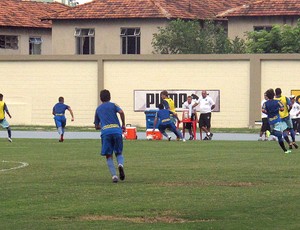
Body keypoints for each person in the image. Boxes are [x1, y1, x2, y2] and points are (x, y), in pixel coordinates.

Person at [94, 89, 126, 183]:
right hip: (116, 130)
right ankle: (120, 165)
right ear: (110, 97)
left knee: (108, 155)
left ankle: (114, 176)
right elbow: (121, 112)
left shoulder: (98, 109)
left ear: (100, 98)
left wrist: (102, 126)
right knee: (119, 153)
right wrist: (123, 124)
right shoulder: (113, 105)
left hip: (106, 132)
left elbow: (96, 126)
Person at [262, 89, 291, 153]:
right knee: (281, 133)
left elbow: (263, 110)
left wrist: (268, 113)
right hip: (277, 120)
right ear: (274, 95)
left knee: (279, 134)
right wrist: (279, 110)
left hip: (270, 120)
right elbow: (282, 108)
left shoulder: (265, 103)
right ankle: (285, 149)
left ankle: (285, 150)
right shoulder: (278, 101)